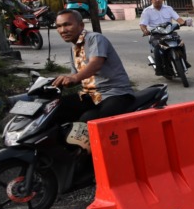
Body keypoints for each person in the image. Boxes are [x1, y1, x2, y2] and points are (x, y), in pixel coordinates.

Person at [52, 10, 135, 144]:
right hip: (91, 95)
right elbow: (76, 76)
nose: (63, 30)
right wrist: (61, 81)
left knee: (95, 122)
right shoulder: (73, 48)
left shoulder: (95, 38)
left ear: (81, 25)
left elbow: (95, 64)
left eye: (67, 25)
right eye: (59, 26)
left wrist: (74, 78)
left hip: (115, 92)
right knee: (57, 108)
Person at [140, 0, 191, 76]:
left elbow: (178, 18)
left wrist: (183, 23)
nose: (157, 0)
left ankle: (184, 62)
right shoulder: (147, 11)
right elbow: (142, 24)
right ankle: (159, 69)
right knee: (157, 47)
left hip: (170, 32)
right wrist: (145, 30)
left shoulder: (168, 8)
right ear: (151, 0)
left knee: (181, 43)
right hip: (156, 34)